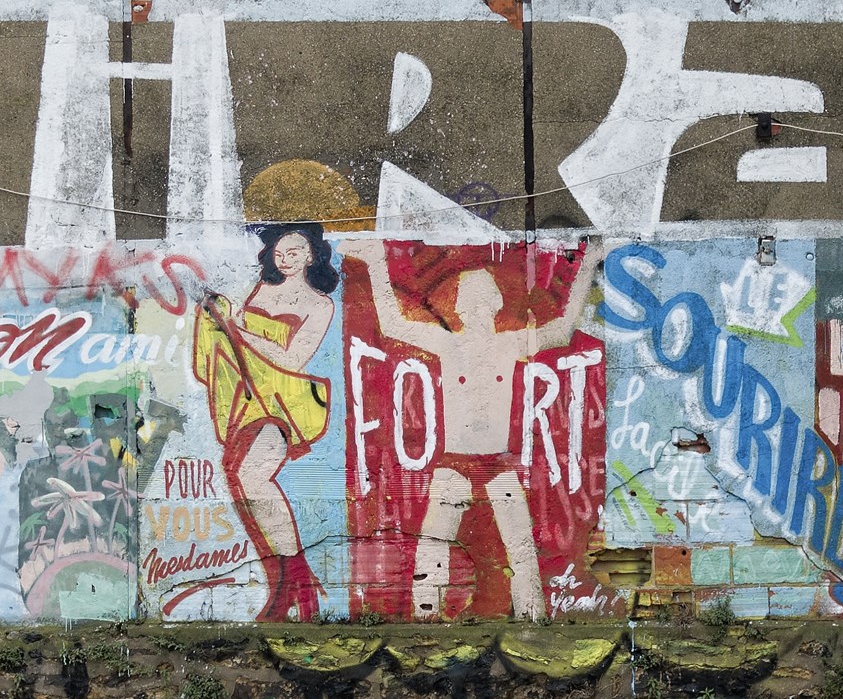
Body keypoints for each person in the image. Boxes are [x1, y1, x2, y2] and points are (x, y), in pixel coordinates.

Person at [344, 243, 598, 620]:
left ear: (496, 303)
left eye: (483, 298)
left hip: (498, 464)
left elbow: (561, 332)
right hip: (455, 462)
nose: (476, 306)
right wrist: (376, 262)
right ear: (458, 305)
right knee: (433, 547)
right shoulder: (447, 344)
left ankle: (535, 617)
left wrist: (590, 262)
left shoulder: (510, 343)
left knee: (521, 547)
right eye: (469, 298)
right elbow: (393, 324)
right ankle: (426, 620)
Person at [193, 223, 339, 622]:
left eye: (295, 250)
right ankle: (294, 585)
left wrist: (239, 329)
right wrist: (217, 314)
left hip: (284, 401)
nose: (285, 257)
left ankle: (287, 586)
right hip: (244, 396)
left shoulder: (320, 303)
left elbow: (292, 358)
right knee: (239, 476)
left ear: (311, 255)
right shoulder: (258, 289)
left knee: (253, 476)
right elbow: (230, 325)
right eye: (280, 250)